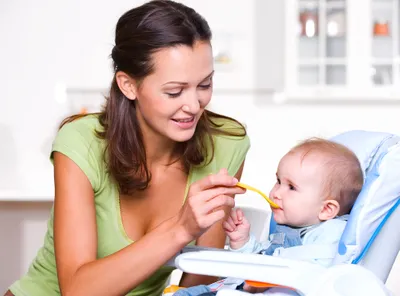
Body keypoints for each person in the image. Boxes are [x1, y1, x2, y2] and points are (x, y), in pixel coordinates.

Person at [5, 1, 250, 295]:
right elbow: (78, 291)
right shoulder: (81, 143)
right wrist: (180, 228)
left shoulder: (226, 144)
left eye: (205, 85)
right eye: (174, 91)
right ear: (128, 85)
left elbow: (203, 278)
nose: (193, 105)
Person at [172, 138, 363, 295]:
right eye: (278, 181)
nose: (276, 193)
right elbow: (262, 258)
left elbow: (312, 273)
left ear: (327, 209)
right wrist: (243, 242)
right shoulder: (290, 229)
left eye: (291, 187)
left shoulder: (330, 235)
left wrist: (265, 279)